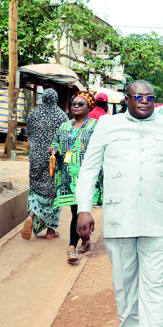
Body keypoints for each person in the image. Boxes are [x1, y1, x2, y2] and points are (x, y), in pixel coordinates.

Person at [76, 81, 163, 327]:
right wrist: (84, 209)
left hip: (160, 217)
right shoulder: (106, 126)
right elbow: (89, 170)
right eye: (138, 97)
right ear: (126, 99)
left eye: (150, 97)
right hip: (120, 217)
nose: (144, 101)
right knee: (124, 283)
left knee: (155, 285)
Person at [51, 91, 103, 264]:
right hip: (68, 176)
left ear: (89, 107)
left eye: (81, 104)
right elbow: (55, 142)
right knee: (76, 211)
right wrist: (54, 150)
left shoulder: (96, 126)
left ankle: (75, 245)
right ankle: (78, 244)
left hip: (87, 176)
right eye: (74, 103)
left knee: (82, 210)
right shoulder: (64, 127)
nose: (76, 106)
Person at [23, 89, 68, 240]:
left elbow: (28, 132)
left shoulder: (33, 113)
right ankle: (50, 231)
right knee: (53, 192)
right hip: (53, 158)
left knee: (35, 188)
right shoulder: (62, 116)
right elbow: (64, 139)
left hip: (35, 157)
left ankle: (31, 215)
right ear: (55, 98)